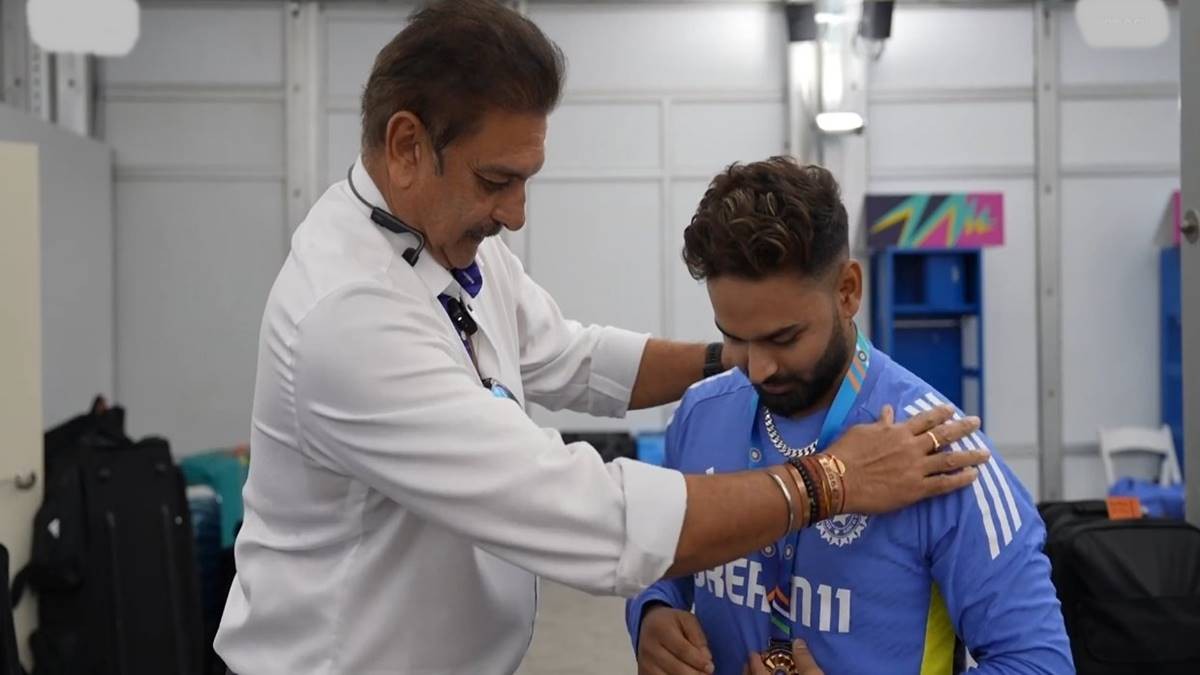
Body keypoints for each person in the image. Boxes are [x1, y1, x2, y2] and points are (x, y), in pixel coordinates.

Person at [212, 2, 989, 673]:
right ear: (407, 145)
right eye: (496, 181)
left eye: (526, 179)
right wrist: (830, 481)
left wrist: (740, 353)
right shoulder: (347, 316)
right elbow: (586, 515)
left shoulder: (451, 243)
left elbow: (573, 358)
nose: (516, 213)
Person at [627, 158, 1074, 675]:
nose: (758, 368)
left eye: (783, 338)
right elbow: (659, 560)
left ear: (847, 291)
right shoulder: (700, 415)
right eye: (735, 337)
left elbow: (1039, 664)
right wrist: (652, 613)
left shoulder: (942, 452)